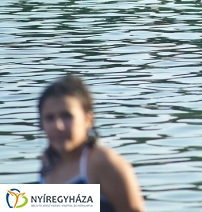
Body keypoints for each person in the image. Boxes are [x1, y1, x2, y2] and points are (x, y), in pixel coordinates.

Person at [38, 75, 146, 212]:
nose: (58, 126)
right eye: (49, 118)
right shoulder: (48, 161)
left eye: (66, 116)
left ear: (88, 120)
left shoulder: (102, 162)